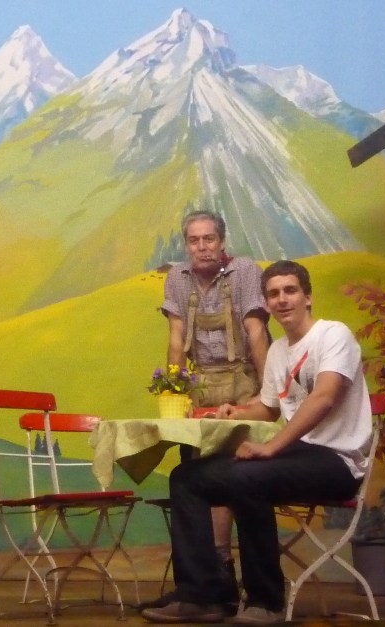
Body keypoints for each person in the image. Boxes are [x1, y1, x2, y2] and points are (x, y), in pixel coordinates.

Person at [142, 260, 373, 625]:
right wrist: (232, 413)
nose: (282, 300)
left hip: (337, 461)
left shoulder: (333, 335)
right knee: (187, 478)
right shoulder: (279, 350)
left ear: (308, 297)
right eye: (273, 294)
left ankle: (266, 601)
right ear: (266, 303)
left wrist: (272, 447)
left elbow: (324, 397)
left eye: (290, 291)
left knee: (247, 476)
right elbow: (267, 408)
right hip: (297, 457)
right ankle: (203, 595)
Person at [155, 210, 271, 608]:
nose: (202, 247)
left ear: (222, 242)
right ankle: (206, 580)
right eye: (194, 240)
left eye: (209, 239)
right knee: (195, 471)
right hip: (200, 382)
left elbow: (256, 330)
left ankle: (228, 569)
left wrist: (267, 393)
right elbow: (176, 338)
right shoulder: (178, 277)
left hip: (243, 378)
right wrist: (175, 389)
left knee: (235, 473)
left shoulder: (244, 271)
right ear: (186, 244)